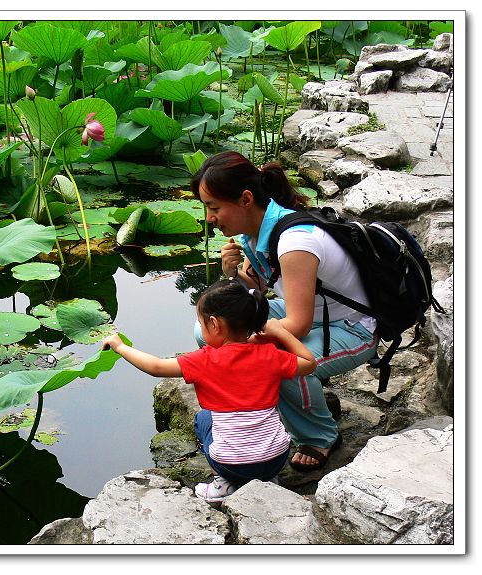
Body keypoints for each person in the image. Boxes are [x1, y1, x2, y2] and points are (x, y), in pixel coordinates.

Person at [191, 151, 378, 472]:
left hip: (352, 328)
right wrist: (234, 275)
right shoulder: (257, 232)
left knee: (269, 359)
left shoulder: (294, 242)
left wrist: (247, 351)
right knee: (211, 330)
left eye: (214, 207)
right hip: (316, 319)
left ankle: (319, 435)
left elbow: (299, 324)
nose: (209, 217)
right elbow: (256, 295)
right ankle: (292, 404)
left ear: (246, 199)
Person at [102, 279, 317, 503]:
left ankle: (223, 483)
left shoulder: (204, 360)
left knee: (203, 419)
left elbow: (155, 367)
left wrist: (120, 347)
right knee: (269, 416)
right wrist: (279, 332)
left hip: (231, 465)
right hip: (276, 458)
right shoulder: (270, 354)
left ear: (214, 324)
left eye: (201, 323)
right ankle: (267, 480)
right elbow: (309, 363)